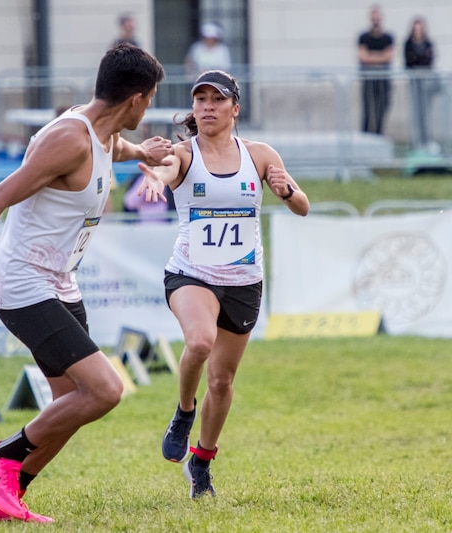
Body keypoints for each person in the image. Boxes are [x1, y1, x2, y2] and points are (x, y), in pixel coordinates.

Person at [0, 44, 172, 523]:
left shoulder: (103, 132)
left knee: (71, 406)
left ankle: (4, 496)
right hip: (25, 284)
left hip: (62, 283)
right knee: (105, 391)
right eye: (149, 99)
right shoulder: (70, 138)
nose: (148, 108)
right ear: (135, 100)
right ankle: (3, 456)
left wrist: (143, 152)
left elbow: (118, 147)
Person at [136, 70, 310, 499]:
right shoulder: (184, 153)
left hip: (243, 281)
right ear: (193, 109)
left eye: (217, 100)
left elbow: (303, 206)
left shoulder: (261, 154)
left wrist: (285, 190)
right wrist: (154, 178)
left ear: (235, 108)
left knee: (222, 381)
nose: (208, 107)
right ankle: (183, 411)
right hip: (191, 274)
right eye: (201, 100)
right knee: (198, 342)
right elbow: (166, 167)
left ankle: (202, 463)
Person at [358, 5, 394, 135]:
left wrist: (371, 56)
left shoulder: (388, 38)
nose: (376, 20)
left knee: (381, 110)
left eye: (378, 17)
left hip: (383, 80)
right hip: (368, 80)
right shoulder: (364, 37)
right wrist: (380, 57)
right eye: (374, 18)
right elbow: (363, 57)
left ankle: (379, 136)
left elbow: (388, 57)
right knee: (368, 110)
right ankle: (365, 138)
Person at [404, 17, 436, 150]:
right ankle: (417, 142)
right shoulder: (409, 44)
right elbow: (410, 61)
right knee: (416, 114)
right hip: (414, 83)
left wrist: (420, 58)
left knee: (426, 114)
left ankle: (426, 141)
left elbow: (429, 60)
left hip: (425, 84)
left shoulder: (428, 43)